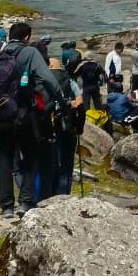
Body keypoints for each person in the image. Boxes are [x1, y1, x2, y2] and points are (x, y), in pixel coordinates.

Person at [0, 21, 64, 218]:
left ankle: (6, 207)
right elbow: (47, 78)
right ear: (27, 37)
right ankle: (25, 202)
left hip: (0, 116)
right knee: (30, 156)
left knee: (4, 159)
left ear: (10, 35)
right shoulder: (30, 53)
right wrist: (61, 98)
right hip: (24, 114)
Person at [48, 58, 84, 196]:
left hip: (50, 126)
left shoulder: (43, 80)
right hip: (69, 125)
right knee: (66, 163)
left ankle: (49, 193)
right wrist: (79, 128)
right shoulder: (70, 82)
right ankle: (63, 194)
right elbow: (80, 105)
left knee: (51, 161)